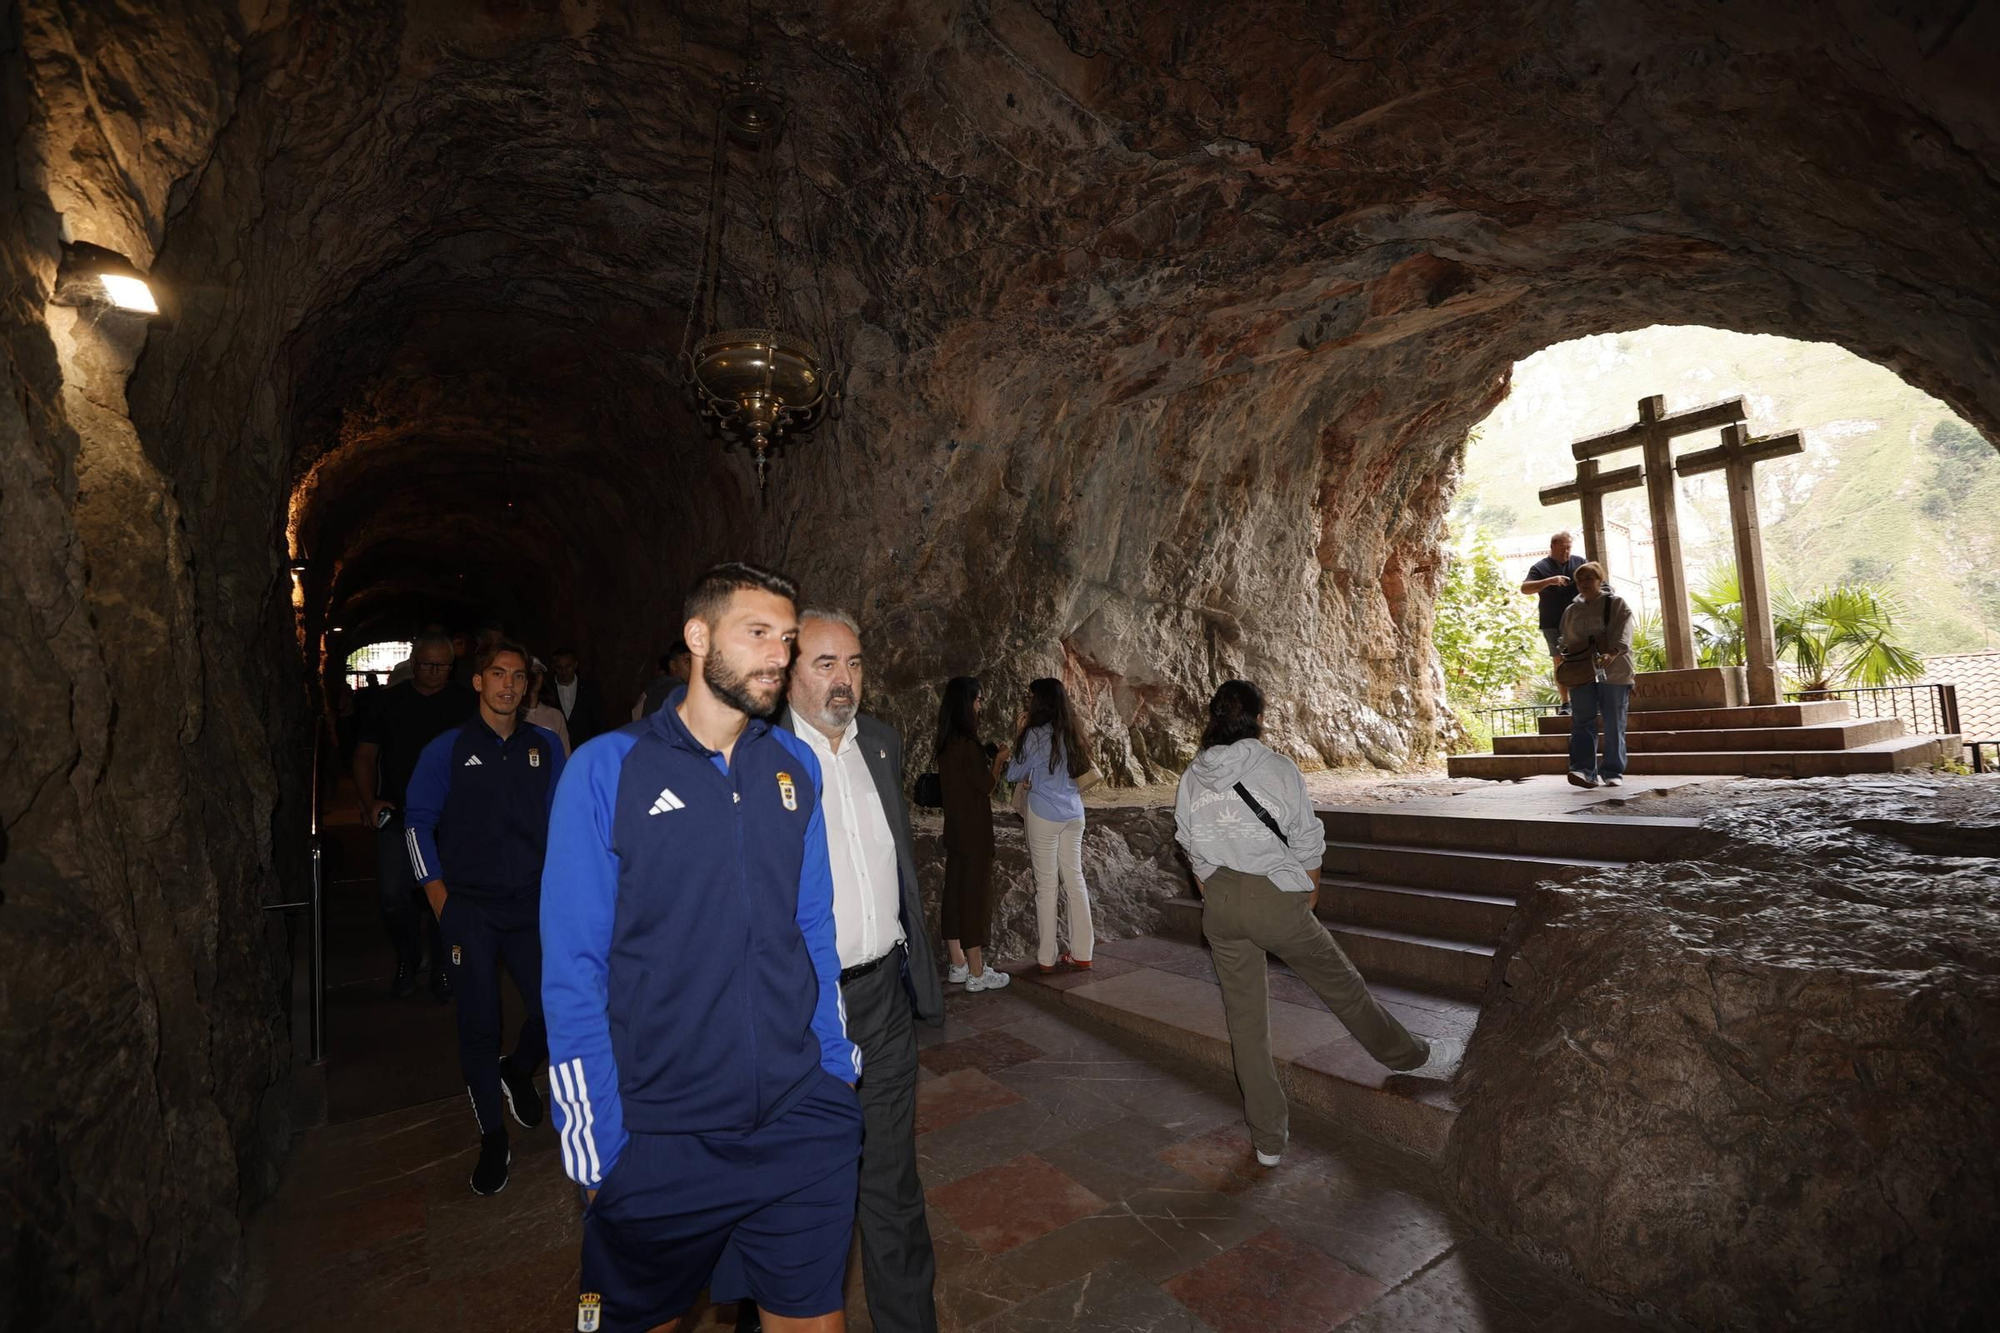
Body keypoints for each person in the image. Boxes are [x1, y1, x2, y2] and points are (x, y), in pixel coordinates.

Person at [542, 562, 862, 1333]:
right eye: (758, 634)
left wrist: (834, 1066)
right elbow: (572, 971)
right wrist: (599, 1150)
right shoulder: (606, 771)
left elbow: (811, 928)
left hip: (798, 1121)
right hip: (661, 1136)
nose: (778, 655)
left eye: (786, 640)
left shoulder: (792, 769)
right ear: (697, 637)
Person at [1174, 680, 1464, 1167]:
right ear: (1258, 718)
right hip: (1274, 895)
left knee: (1245, 1024)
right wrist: (1310, 888)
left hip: (1220, 902)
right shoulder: (1275, 766)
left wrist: (1209, 883)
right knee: (1342, 986)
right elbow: (1306, 834)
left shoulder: (1192, 775)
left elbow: (1187, 838)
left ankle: (1267, 1139)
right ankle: (1410, 1057)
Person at [772, 607, 945, 1333]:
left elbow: (897, 866)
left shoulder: (880, 743)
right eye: (824, 664)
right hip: (802, 1010)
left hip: (883, 998)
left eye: (855, 664)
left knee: (892, 1183)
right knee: (800, 1188)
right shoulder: (761, 757)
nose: (844, 681)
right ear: (787, 671)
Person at [403, 641, 566, 1195]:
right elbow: (416, 824)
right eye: (497, 674)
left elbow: (564, 823)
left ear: (528, 687)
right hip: (469, 908)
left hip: (530, 906)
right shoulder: (446, 750)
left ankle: (518, 1070)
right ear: (477, 682)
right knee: (479, 1024)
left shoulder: (545, 746)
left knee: (554, 1011)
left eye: (518, 676)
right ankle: (493, 1138)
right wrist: (439, 898)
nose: (508, 685)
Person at [352, 630, 475, 999]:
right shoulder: (388, 703)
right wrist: (368, 800)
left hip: (452, 815)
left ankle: (442, 965)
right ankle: (408, 955)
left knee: (447, 893)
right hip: (400, 812)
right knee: (393, 893)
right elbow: (364, 755)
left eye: (443, 666)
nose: (435, 672)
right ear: (413, 662)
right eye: (427, 664)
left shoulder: (467, 704)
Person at [1004, 678, 1095, 974]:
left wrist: (1020, 733)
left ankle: (1046, 958)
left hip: (1044, 813)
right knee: (1075, 880)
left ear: (1039, 701)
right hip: (1074, 814)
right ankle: (1082, 953)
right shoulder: (1072, 732)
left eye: (1030, 697)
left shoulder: (1033, 733)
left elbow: (1013, 772)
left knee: (1046, 887)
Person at [935, 677, 1010, 993]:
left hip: (955, 831)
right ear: (967, 703)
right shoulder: (967, 745)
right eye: (978, 700)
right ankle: (977, 972)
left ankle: (957, 963)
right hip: (976, 834)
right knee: (973, 899)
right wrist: (999, 761)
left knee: (953, 894)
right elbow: (986, 786)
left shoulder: (946, 743)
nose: (981, 706)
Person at [1559, 561, 1636, 789]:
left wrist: (1613, 651)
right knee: (1582, 720)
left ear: (1600, 580)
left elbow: (1624, 631)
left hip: (1615, 670)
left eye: (1588, 578)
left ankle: (1613, 771)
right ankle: (1583, 771)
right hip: (1582, 671)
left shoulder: (1615, 604)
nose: (1583, 583)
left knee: (1614, 721)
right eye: (1579, 579)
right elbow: (1565, 640)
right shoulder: (1571, 611)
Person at [1520, 531, 1588, 714]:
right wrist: (1550, 581)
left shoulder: (1580, 562)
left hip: (1578, 620)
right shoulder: (1540, 567)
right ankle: (1566, 703)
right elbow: (1525, 589)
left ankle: (1584, 699)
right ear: (1552, 547)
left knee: (1583, 658)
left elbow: (1595, 579)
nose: (1566, 552)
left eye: (1569, 548)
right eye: (1562, 548)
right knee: (1560, 661)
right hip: (1552, 621)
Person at [550, 648, 606, 746]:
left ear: (575, 665)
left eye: (568, 666)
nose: (564, 672)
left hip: (585, 748)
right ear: (553, 667)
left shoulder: (589, 689)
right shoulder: (547, 691)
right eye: (559, 667)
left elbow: (599, 723)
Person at [632, 640, 694, 721]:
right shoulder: (678, 690)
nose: (692, 666)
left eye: (694, 662)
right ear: (673, 665)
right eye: (687, 661)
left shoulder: (653, 687)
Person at [525, 657, 574, 755]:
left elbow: (565, 754)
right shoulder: (512, 715)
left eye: (538, 673)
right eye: (531, 673)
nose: (535, 677)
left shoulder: (555, 715)